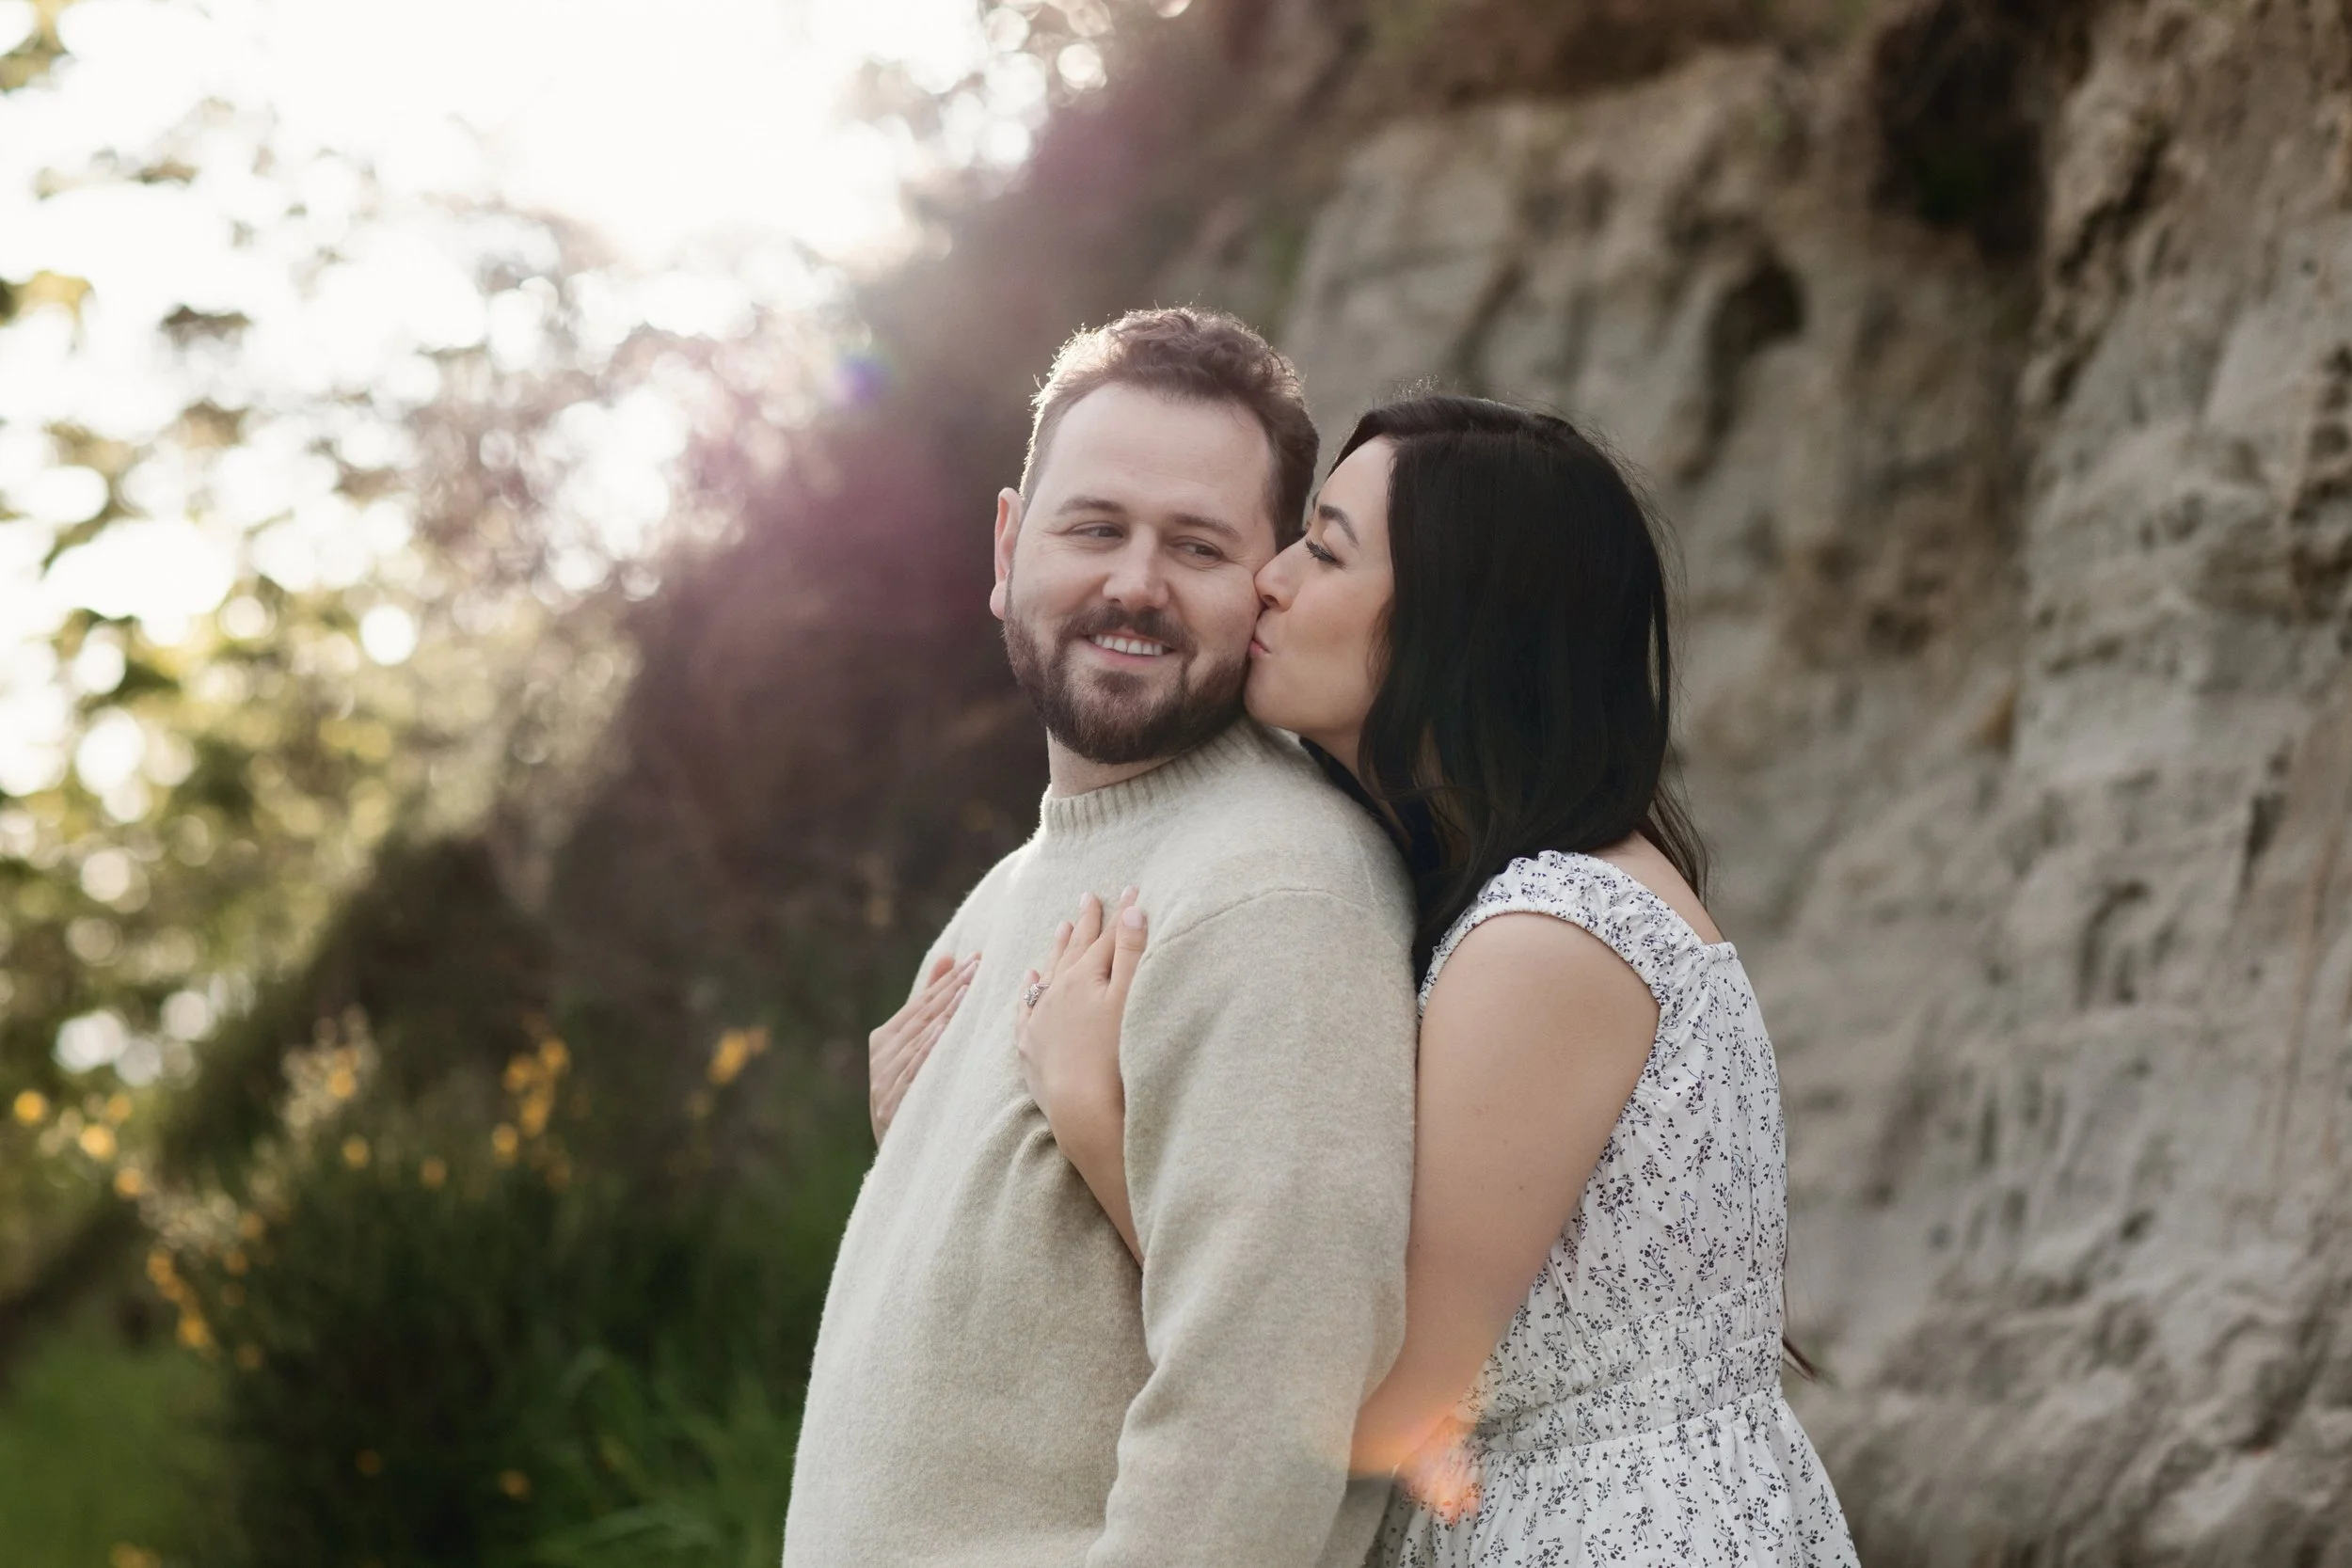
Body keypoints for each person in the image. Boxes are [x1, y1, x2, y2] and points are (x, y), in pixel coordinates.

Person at [882, 395, 1861, 1564]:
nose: (1271, 579)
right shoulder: (1498, 902)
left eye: (1325, 549)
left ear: (1458, 620)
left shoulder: (1549, 936)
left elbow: (1368, 1404)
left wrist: (1094, 1118)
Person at [782, 308, 1422, 1568]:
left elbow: (1262, 1428)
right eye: (1093, 528)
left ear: (1268, 585)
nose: (1134, 582)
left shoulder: (1276, 892)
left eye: (1196, 544)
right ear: (1008, 545)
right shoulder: (1008, 891)